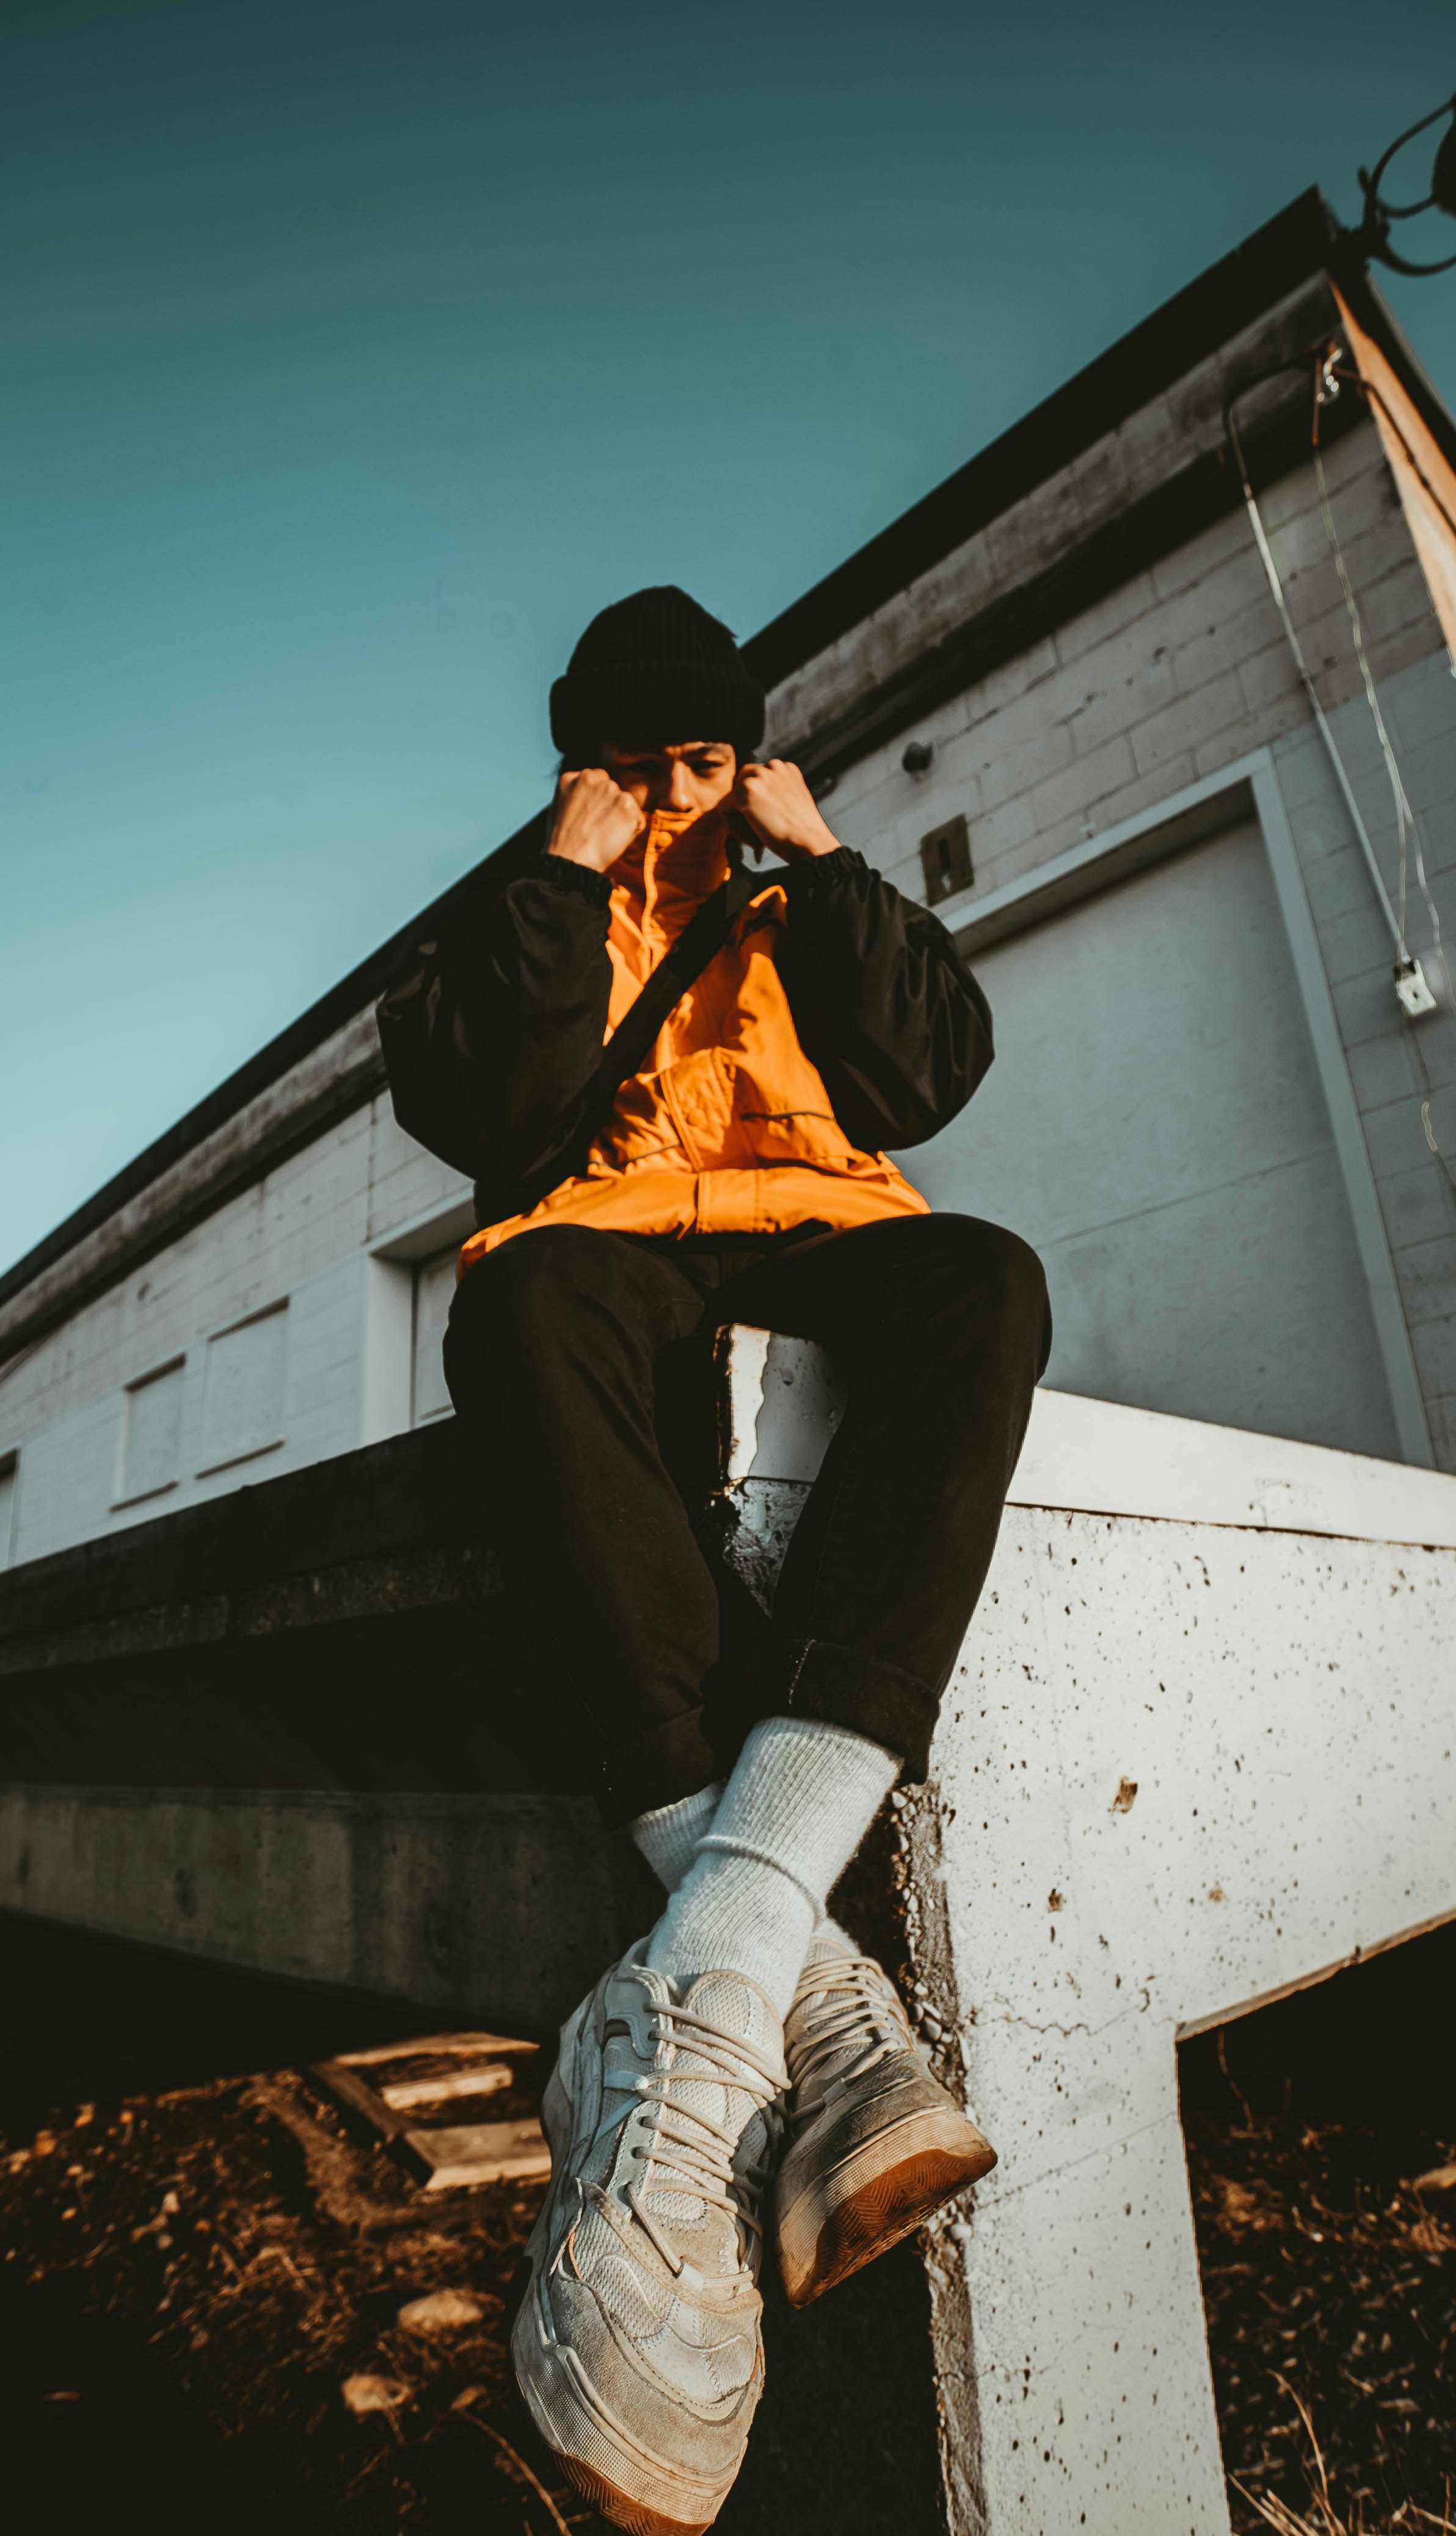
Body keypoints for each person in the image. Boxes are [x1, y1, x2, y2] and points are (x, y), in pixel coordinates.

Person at [378, 585, 1050, 2535]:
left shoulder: (794, 889)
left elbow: (926, 1077)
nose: (674, 790)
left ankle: (693, 1994)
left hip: (819, 1220)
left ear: (743, 752)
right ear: (579, 760)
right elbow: (481, 1114)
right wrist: (560, 876)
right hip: (602, 1244)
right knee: (520, 1312)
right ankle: (802, 1998)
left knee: (986, 1285)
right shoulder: (528, 901)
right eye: (634, 759)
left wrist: (819, 857)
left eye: (701, 755)